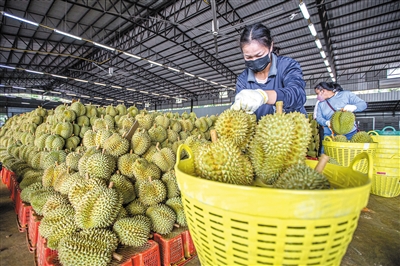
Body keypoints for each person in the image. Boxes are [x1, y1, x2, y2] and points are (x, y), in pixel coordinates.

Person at [231, 23, 307, 119]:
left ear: (270, 47)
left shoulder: (286, 66)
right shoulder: (243, 79)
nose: (254, 60)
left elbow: (298, 95)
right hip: (261, 132)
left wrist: (263, 96)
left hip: (293, 130)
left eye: (259, 55)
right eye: (248, 57)